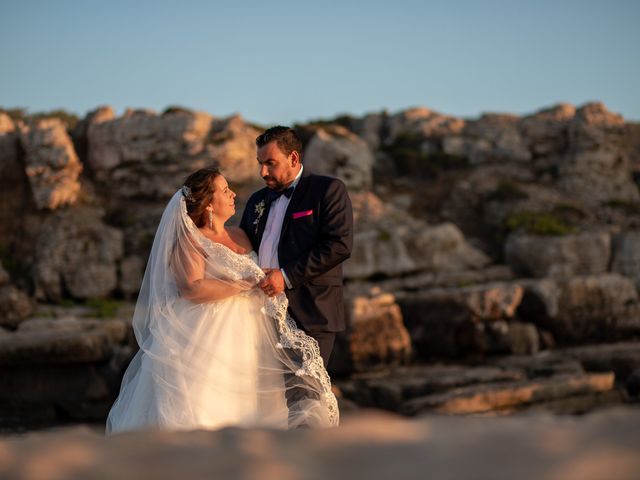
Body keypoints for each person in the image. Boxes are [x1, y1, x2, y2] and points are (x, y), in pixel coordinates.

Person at [106, 168, 338, 434]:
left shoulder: (241, 235)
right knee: (205, 400)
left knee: (248, 403)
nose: (233, 194)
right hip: (207, 332)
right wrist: (244, 284)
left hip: (251, 333)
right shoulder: (191, 240)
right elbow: (191, 288)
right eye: (225, 190)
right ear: (207, 204)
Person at [239, 126, 354, 368]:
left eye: (270, 163)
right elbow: (244, 247)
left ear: (293, 158)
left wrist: (286, 276)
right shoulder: (257, 201)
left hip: (311, 315)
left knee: (305, 398)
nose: (263, 171)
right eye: (260, 163)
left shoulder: (327, 190)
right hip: (260, 316)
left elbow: (339, 245)